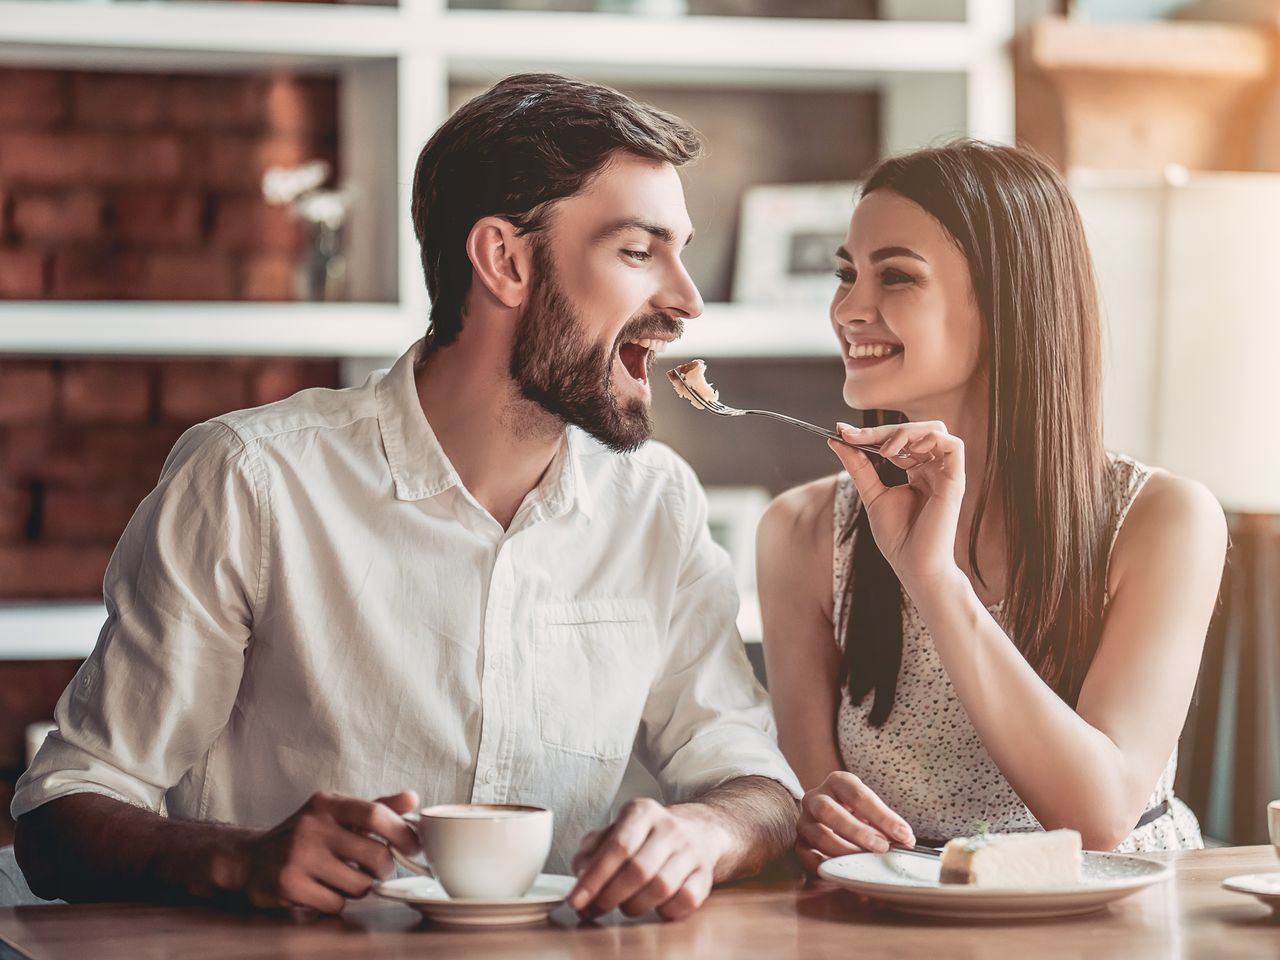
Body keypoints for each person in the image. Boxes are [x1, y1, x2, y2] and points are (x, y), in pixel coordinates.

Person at [12, 73, 800, 919]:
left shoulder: (657, 505)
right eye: (639, 253)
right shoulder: (251, 479)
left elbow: (753, 779)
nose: (687, 301)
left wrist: (703, 834)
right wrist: (240, 861)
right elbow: (60, 815)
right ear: (505, 260)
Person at [756, 141, 1226, 874]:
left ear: (1011, 300)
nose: (849, 309)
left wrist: (935, 580)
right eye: (846, 275)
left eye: (897, 276)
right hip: (892, 923)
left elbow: (1097, 816)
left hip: (1112, 921)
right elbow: (822, 821)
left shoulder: (1163, 521)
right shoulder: (803, 532)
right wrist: (812, 819)